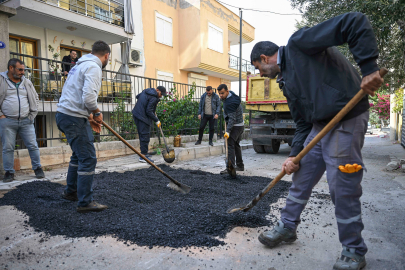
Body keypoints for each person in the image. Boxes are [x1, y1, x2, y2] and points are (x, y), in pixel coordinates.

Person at [250, 12, 384, 270]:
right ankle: (287, 227)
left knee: (342, 187)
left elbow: (354, 22)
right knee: (301, 178)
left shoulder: (299, 44)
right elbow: (301, 122)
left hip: (346, 118)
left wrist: (369, 68)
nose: (261, 73)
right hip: (319, 126)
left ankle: (354, 250)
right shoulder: (285, 80)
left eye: (259, 68)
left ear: (264, 58)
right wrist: (294, 155)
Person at [56, 40, 110, 213]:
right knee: (88, 159)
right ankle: (85, 202)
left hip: (65, 115)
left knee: (78, 157)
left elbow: (75, 95)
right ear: (106, 55)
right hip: (73, 118)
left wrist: (88, 116)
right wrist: (96, 112)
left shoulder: (78, 66)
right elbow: (88, 98)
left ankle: (71, 192)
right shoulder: (94, 67)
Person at [0, 58, 45, 182]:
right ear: (11, 68)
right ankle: (9, 172)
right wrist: (1, 116)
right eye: (20, 69)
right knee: (8, 148)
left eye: (23, 70)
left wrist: (32, 115)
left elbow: (35, 98)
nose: (22, 72)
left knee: (33, 145)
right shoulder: (1, 80)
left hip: (26, 121)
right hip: (7, 121)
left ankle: (37, 168)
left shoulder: (27, 82)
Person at [132, 86, 167, 163]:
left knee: (142, 134)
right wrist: (157, 120)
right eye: (161, 94)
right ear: (157, 90)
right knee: (145, 135)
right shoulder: (154, 97)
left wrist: (145, 103)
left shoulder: (146, 91)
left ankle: (143, 153)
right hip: (142, 116)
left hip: (136, 113)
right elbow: (148, 111)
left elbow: (137, 96)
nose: (161, 96)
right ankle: (143, 156)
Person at [217, 84, 244, 176]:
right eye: (219, 93)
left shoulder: (230, 103)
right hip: (241, 125)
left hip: (236, 125)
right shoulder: (231, 94)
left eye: (222, 93)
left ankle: (230, 168)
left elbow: (232, 119)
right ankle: (240, 165)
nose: (221, 95)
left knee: (229, 145)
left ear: (227, 91)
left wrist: (228, 131)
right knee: (236, 145)